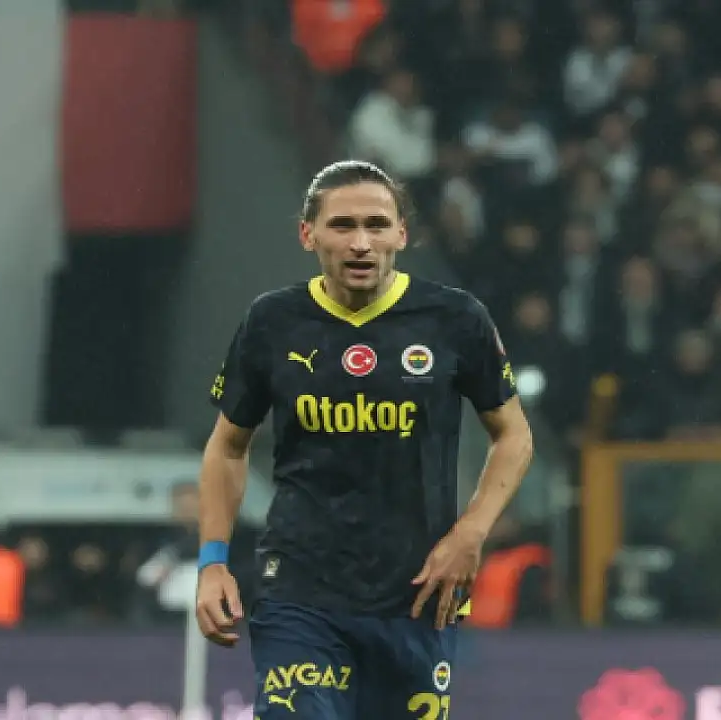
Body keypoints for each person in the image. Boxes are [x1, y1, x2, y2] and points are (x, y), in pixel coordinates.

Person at [195, 160, 533, 719]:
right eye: (343, 225)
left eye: (376, 225)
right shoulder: (272, 321)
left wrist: (471, 533)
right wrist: (212, 561)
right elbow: (228, 446)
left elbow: (514, 435)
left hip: (418, 593)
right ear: (308, 234)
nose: (361, 243)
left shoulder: (454, 318)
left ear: (401, 233)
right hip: (300, 590)